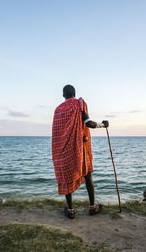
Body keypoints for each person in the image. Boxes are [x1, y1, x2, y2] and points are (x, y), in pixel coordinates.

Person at [52, 84, 109, 219]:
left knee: (66, 176)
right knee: (87, 173)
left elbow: (56, 133)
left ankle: (71, 210)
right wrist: (103, 125)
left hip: (62, 149)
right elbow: (88, 123)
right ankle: (92, 207)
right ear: (74, 94)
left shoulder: (58, 110)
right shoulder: (79, 104)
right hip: (79, 147)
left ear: (63, 95)